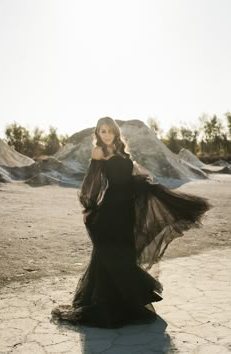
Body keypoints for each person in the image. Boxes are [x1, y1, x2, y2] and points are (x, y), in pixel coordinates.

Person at [52, 117, 211, 328]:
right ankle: (105, 305)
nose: (106, 134)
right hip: (109, 211)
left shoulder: (122, 152)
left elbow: (132, 174)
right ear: (98, 134)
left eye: (109, 131)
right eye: (102, 131)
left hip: (126, 212)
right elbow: (93, 181)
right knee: (108, 254)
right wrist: (89, 207)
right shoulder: (99, 152)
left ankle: (124, 303)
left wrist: (149, 183)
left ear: (115, 132)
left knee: (124, 253)